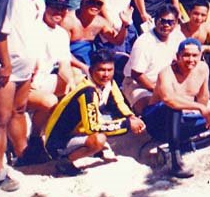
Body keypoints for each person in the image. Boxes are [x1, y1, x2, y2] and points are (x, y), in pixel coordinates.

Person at [0, 0, 50, 191]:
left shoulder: (39, 1)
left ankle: (22, 154)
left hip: (25, 68)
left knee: (19, 111)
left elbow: (31, 34)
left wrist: (34, 63)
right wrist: (5, 65)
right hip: (7, 70)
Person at [43, 49, 147, 177]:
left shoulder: (108, 83)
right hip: (58, 141)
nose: (106, 74)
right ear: (91, 70)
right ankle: (64, 162)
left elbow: (119, 103)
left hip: (78, 129)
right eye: (101, 70)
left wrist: (131, 117)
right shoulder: (87, 91)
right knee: (99, 139)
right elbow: (93, 127)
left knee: (108, 119)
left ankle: (85, 147)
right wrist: (127, 124)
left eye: (110, 70)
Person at [142, 38, 210, 178]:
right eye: (186, 55)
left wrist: (203, 112)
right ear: (178, 56)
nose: (190, 59)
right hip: (157, 121)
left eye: (195, 55)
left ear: (200, 56)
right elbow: (169, 99)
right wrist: (199, 108)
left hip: (180, 121)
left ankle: (177, 148)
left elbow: (203, 96)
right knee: (173, 107)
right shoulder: (166, 73)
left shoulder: (203, 68)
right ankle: (175, 162)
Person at [16, 0, 84, 166]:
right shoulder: (33, 28)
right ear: (46, 7)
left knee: (78, 78)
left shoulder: (61, 33)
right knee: (49, 100)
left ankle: (62, 127)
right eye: (54, 7)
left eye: (62, 8)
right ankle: (36, 137)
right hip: (27, 85)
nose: (58, 11)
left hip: (44, 80)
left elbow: (64, 65)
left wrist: (71, 83)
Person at [123, 4, 186, 114]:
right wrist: (158, 91)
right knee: (153, 113)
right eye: (163, 21)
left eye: (170, 22)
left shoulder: (178, 36)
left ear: (176, 23)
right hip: (139, 85)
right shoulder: (144, 42)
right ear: (155, 20)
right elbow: (136, 74)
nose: (166, 25)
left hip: (168, 83)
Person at [63, 0, 126, 67]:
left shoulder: (100, 22)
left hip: (87, 62)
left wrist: (125, 25)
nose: (95, 6)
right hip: (67, 61)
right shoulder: (68, 21)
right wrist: (83, 67)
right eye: (91, 2)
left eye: (99, 3)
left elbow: (117, 41)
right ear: (82, 3)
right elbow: (61, 51)